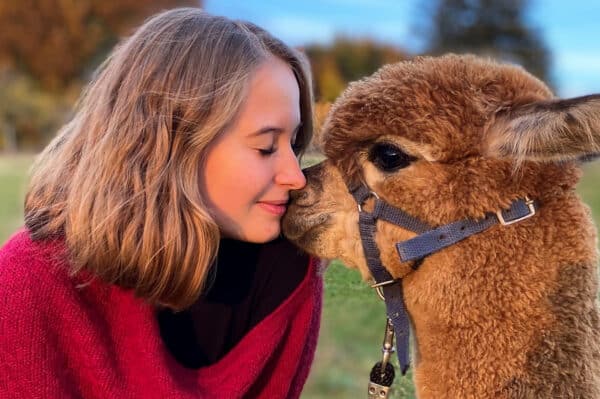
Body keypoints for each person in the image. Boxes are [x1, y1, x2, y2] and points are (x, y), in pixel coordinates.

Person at [0, 8, 322, 399]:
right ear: (171, 143)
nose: (296, 175)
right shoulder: (27, 283)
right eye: (265, 146)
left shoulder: (286, 269)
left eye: (294, 144)